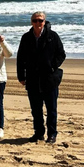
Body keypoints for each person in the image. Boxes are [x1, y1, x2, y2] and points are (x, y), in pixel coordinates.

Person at [17, 11, 66, 144]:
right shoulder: (26, 37)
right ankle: (38, 133)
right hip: (32, 78)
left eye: (40, 20)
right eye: (35, 20)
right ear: (31, 22)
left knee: (51, 109)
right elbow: (20, 58)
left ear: (44, 21)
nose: (38, 23)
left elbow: (61, 54)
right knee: (36, 110)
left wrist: (52, 66)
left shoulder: (52, 36)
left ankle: (52, 134)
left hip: (49, 79)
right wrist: (21, 76)